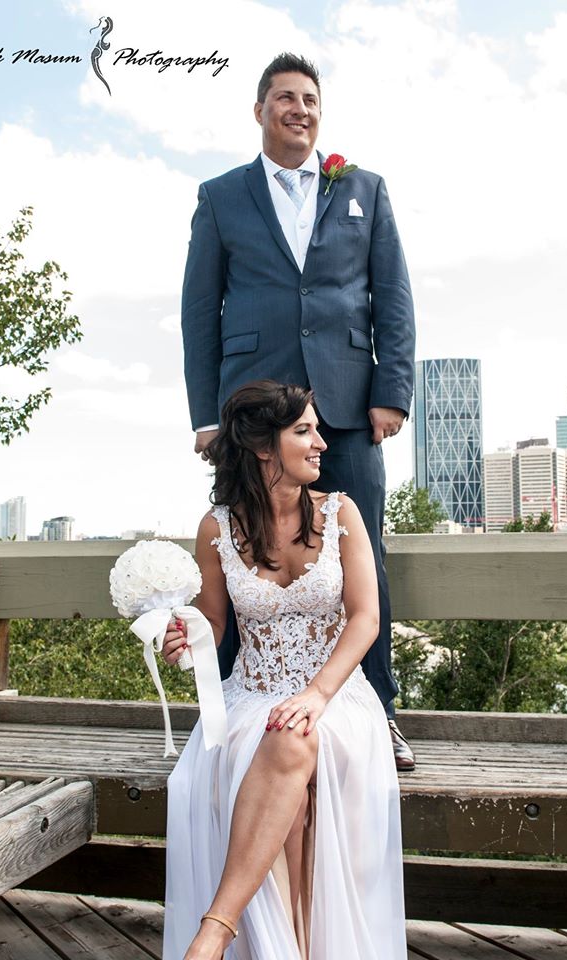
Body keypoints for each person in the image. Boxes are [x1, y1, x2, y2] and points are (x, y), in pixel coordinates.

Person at [181, 52, 416, 770]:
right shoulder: (221, 197)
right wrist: (207, 414)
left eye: (310, 99)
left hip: (346, 408)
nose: (299, 109)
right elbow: (200, 311)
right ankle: (227, 716)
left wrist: (390, 392)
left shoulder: (364, 189)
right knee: (240, 549)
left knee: (364, 558)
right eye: (285, 98)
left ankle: (378, 714)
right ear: (260, 111)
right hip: (251, 412)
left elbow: (393, 296)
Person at [161, 381, 407, 960]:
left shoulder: (341, 513)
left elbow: (366, 619)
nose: (322, 443)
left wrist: (317, 696)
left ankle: (214, 933)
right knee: (285, 761)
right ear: (262, 446)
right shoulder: (217, 528)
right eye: (304, 430)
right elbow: (213, 624)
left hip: (337, 698)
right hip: (250, 696)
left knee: (291, 736)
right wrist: (185, 639)